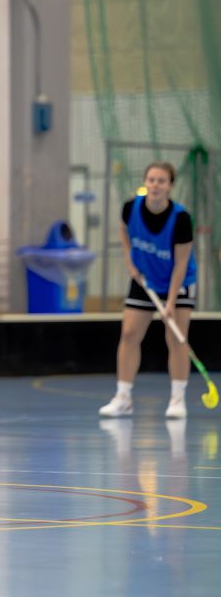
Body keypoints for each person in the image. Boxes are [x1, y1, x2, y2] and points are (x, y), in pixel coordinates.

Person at [99, 161, 197, 419]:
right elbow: (123, 231)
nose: (155, 185)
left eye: (161, 181)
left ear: (170, 186)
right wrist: (129, 260)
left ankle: (177, 399)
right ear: (145, 182)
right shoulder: (131, 208)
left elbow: (181, 263)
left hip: (178, 281)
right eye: (151, 179)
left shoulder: (181, 219)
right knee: (130, 333)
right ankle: (123, 398)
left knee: (176, 338)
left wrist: (171, 302)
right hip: (144, 279)